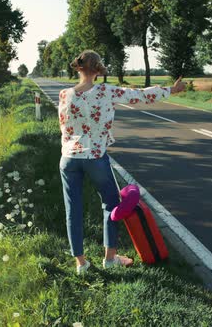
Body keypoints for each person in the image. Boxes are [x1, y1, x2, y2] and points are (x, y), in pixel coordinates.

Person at [58, 50, 185, 274]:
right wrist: (171, 90)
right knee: (110, 205)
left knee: (73, 210)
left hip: (68, 158)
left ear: (78, 68)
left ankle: (81, 264)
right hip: (95, 156)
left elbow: (64, 127)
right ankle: (110, 258)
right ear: (98, 69)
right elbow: (139, 95)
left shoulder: (64, 94)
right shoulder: (106, 91)